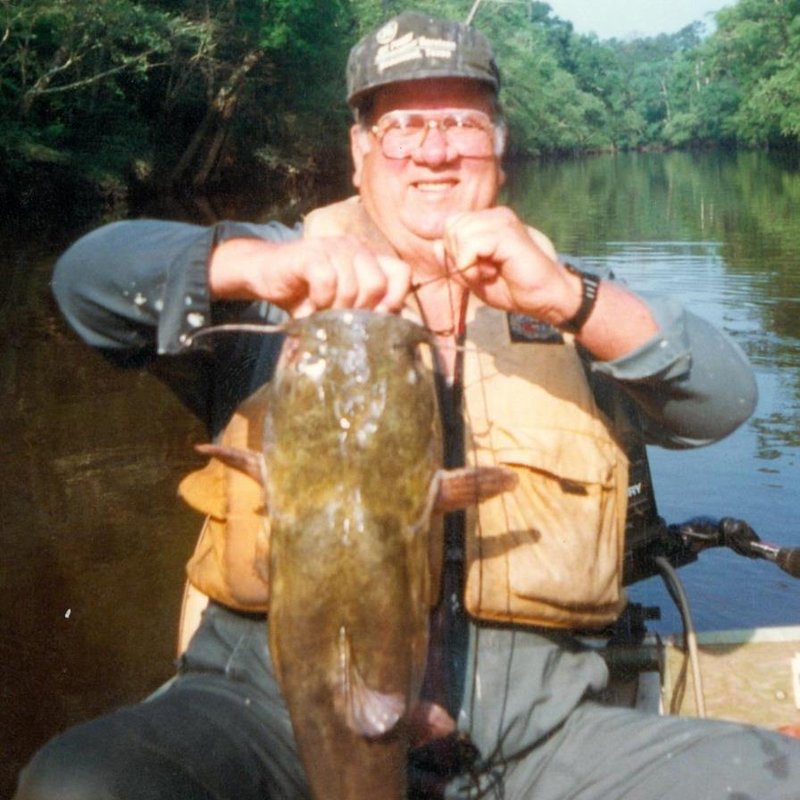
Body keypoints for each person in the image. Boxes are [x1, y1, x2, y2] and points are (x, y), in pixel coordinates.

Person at [15, 11, 800, 800]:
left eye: (461, 122)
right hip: (270, 707)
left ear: (498, 143)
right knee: (78, 785)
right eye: (403, 127)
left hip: (544, 731)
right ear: (359, 152)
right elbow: (84, 284)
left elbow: (725, 402)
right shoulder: (267, 273)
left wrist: (569, 297)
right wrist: (249, 265)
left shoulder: (569, 299)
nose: (433, 150)